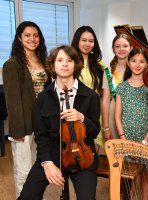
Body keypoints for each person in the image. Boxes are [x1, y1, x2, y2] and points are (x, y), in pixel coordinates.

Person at [18, 45, 101, 200]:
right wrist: (47, 163)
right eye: (60, 60)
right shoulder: (44, 97)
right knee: (26, 196)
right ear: (53, 65)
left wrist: (82, 118)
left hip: (83, 157)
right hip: (53, 154)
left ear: (75, 65)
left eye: (69, 60)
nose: (64, 64)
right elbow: (41, 135)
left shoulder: (91, 96)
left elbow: (95, 131)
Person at [2, 21, 50, 198]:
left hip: (43, 123)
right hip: (24, 125)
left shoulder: (44, 61)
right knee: (24, 171)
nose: (32, 39)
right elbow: (12, 101)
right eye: (27, 35)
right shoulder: (12, 64)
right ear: (19, 38)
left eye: (35, 35)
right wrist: (17, 130)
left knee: (40, 168)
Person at [115, 47, 148, 200]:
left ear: (146, 65)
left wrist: (145, 142)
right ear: (128, 63)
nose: (138, 65)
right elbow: (117, 117)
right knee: (129, 177)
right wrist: (124, 141)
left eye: (142, 61)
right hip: (127, 139)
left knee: (145, 175)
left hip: (146, 139)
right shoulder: (122, 87)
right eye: (134, 61)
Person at [71, 25, 106, 154]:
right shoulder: (70, 62)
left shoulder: (100, 63)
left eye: (91, 41)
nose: (87, 44)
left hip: (95, 113)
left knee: (93, 153)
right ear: (77, 41)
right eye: (84, 40)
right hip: (76, 111)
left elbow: (104, 91)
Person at [102, 34, 133, 142]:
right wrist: (105, 127)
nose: (121, 49)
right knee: (116, 154)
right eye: (117, 46)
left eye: (125, 46)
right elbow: (105, 100)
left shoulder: (137, 70)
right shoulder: (108, 72)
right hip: (113, 115)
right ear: (113, 49)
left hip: (133, 116)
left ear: (131, 48)